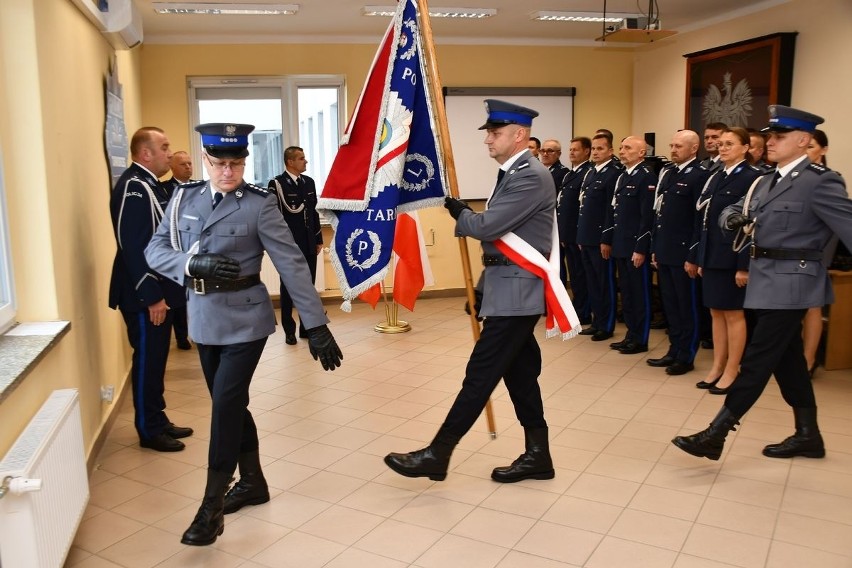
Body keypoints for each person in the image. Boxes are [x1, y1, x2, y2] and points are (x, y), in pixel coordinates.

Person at [145, 123, 343, 546]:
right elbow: (155, 248)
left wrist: (316, 324)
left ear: (244, 163)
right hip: (203, 318)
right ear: (206, 160)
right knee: (228, 403)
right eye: (220, 164)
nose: (228, 172)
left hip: (246, 320)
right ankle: (253, 482)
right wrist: (189, 265)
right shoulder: (184, 197)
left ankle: (210, 507)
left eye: (236, 164)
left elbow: (291, 262)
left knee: (225, 407)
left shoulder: (259, 204)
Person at [385, 100, 557, 484]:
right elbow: (505, 245)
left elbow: (488, 227)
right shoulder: (512, 173)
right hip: (507, 289)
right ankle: (538, 455)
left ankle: (437, 453)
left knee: (479, 375)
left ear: (519, 135)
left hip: (518, 294)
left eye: (495, 134)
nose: (488, 141)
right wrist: (482, 289)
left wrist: (460, 213)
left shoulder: (530, 174)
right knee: (521, 375)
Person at [672, 105, 852, 462]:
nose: (770, 142)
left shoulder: (820, 181)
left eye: (780, 137)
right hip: (765, 280)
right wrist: (732, 218)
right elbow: (733, 209)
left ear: (804, 141)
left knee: (757, 359)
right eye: (769, 136)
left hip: (794, 282)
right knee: (789, 363)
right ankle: (808, 435)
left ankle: (717, 432)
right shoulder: (767, 179)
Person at [109, 127, 193, 452]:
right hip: (143, 295)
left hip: (160, 291)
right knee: (147, 360)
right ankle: (149, 430)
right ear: (146, 153)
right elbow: (132, 245)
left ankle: (158, 420)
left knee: (157, 360)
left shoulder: (150, 185)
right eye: (164, 147)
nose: (169, 153)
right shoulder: (134, 186)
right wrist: (152, 295)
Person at [693, 127, 763, 394]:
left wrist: (743, 265)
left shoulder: (753, 178)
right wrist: (701, 257)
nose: (722, 148)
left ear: (745, 148)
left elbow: (751, 225)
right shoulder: (716, 175)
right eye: (720, 144)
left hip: (733, 256)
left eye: (729, 144)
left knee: (734, 315)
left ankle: (733, 369)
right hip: (712, 255)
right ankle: (717, 366)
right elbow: (705, 221)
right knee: (715, 312)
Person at [647, 130, 710, 375]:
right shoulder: (668, 172)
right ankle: (673, 349)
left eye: (679, 146)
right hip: (665, 251)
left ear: (694, 148)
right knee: (671, 305)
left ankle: (686, 355)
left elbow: (699, 220)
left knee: (687, 306)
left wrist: (693, 255)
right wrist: (655, 248)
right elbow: (658, 214)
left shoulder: (699, 175)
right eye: (672, 145)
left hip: (684, 253)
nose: (673, 149)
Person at [606, 136, 656, 354]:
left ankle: (640, 339)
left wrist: (641, 248)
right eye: (621, 147)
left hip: (635, 247)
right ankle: (630, 334)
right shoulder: (623, 176)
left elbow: (647, 217)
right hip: (621, 245)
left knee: (639, 294)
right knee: (626, 293)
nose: (622, 151)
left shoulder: (646, 177)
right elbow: (616, 212)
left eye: (627, 148)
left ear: (641, 153)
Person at [268, 146, 323, 345]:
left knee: (308, 287)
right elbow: (274, 217)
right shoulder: (277, 184)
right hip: (289, 245)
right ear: (290, 162)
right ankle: (289, 330)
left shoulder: (309, 182)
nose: (305, 162)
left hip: (308, 242)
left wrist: (318, 239)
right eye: (301, 158)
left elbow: (314, 213)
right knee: (288, 289)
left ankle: (306, 328)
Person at [576, 133, 623, 341]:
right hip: (586, 237)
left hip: (599, 239)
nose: (595, 152)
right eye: (593, 149)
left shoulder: (613, 174)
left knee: (605, 283)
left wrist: (606, 239)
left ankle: (606, 324)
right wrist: (580, 236)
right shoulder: (591, 173)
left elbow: (609, 210)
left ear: (610, 151)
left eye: (600, 149)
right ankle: (597, 321)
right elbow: (583, 208)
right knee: (592, 283)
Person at [803, 128, 831, 377]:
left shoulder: (828, 179)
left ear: (823, 150)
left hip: (817, 253)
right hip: (792, 257)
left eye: (811, 147)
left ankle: (808, 360)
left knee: (813, 308)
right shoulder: (794, 178)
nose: (806, 152)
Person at [557, 137, 593, 323]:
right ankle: (579, 309)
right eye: (570, 149)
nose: (571, 153)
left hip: (578, 235)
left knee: (581, 276)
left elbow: (581, 209)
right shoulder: (571, 174)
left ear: (587, 151)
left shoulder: (587, 173)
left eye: (575, 150)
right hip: (568, 235)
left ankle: (584, 312)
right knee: (576, 276)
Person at [163, 150, 195, 350]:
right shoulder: (164, 189)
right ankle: (181, 336)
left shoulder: (200, 187)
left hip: (196, 247)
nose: (188, 167)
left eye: (190, 163)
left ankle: (201, 331)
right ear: (172, 167)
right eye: (183, 164)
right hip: (176, 248)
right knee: (178, 295)